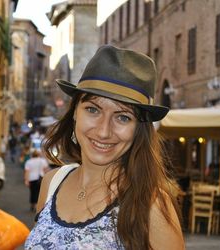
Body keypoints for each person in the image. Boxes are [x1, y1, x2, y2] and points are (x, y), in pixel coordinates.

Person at [25, 45, 184, 249]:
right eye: (93, 109)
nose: (103, 131)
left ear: (138, 129)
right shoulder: (51, 183)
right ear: (75, 112)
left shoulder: (151, 206)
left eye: (123, 117)